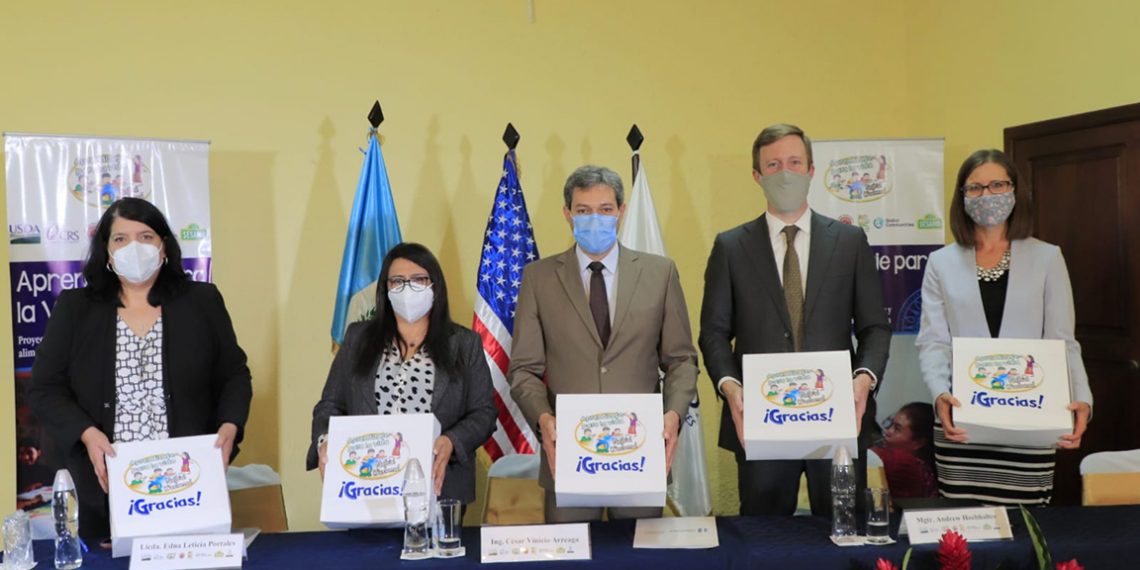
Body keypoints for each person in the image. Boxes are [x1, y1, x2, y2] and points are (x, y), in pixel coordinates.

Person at [28, 197, 251, 540]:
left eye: (146, 236)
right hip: (104, 486)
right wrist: (87, 434)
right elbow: (44, 389)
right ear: (107, 252)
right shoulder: (76, 308)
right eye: (121, 238)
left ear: (164, 247)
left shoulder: (201, 301)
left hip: (188, 484)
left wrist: (230, 425)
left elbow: (234, 375)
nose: (134, 247)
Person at [699, 123, 891, 517]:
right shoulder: (731, 247)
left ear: (811, 170)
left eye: (794, 162)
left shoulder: (849, 242)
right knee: (766, 536)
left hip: (836, 417)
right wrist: (730, 388)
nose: (784, 173)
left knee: (843, 528)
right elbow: (714, 333)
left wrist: (864, 378)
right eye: (773, 165)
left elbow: (874, 327)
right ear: (757, 175)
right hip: (761, 419)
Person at [509, 165, 699, 523]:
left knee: (640, 550)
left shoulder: (660, 273)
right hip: (568, 454)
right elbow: (523, 369)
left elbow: (681, 360)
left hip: (640, 451)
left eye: (605, 209)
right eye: (583, 210)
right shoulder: (538, 279)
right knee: (572, 553)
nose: (594, 219)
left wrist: (673, 414)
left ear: (621, 211)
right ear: (567, 214)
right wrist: (543, 418)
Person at [916, 149, 1093, 505]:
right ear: (962, 196)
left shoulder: (1047, 257)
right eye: (975, 188)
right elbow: (933, 341)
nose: (987, 195)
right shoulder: (940, 262)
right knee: (963, 527)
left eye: (997, 185)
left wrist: (1083, 398)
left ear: (1014, 190)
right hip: (962, 418)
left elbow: (1062, 340)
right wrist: (939, 395)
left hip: (1030, 418)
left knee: (1026, 525)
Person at [308, 243, 497, 504]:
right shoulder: (358, 339)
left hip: (438, 486)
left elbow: (484, 413)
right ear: (385, 290)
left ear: (435, 286)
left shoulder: (464, 344)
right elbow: (330, 404)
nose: (407, 289)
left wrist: (452, 440)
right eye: (397, 281)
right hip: (366, 487)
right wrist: (325, 440)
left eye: (418, 280)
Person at [870, 403, 937, 499]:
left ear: (918, 443)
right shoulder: (924, 468)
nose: (887, 431)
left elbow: (864, 454)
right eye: (891, 423)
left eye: (897, 429)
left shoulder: (905, 463)